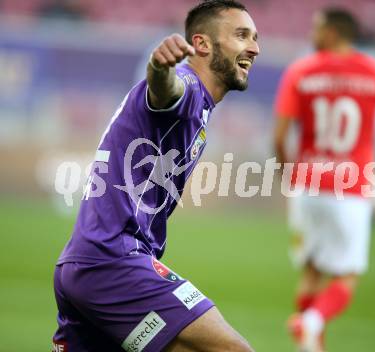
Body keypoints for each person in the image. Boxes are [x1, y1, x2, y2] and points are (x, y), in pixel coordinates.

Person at [52, 1, 259, 351]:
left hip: (88, 262)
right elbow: (166, 90)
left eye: (255, 37)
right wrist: (159, 67)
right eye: (242, 35)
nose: (255, 47)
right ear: (203, 44)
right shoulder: (190, 88)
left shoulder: (202, 108)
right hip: (113, 261)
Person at [274, 8, 375, 352]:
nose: (312, 33)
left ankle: (310, 344)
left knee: (312, 270)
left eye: (317, 27)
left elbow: (280, 137)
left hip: (307, 185)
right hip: (350, 188)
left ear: (334, 32)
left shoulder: (301, 71)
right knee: (347, 276)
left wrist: (290, 178)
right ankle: (311, 324)